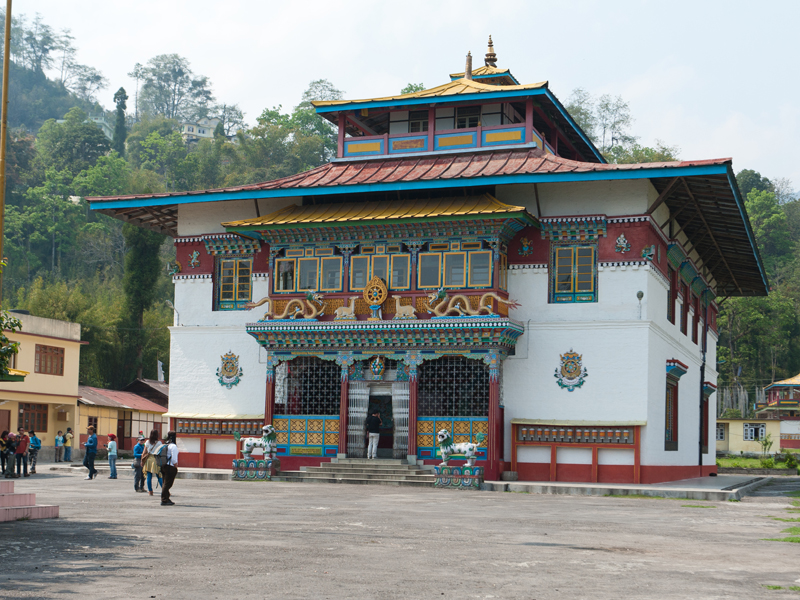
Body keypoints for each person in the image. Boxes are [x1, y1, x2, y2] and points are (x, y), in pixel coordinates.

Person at [141, 429, 163, 496]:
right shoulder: (159, 443)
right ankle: (164, 490)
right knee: (159, 475)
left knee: (149, 476)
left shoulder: (147, 442)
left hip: (149, 459)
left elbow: (144, 452)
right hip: (156, 459)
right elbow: (161, 452)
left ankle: (150, 491)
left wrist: (142, 461)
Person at [161, 431, 179, 506]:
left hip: (163, 465)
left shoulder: (165, 444)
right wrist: (175, 466)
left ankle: (166, 498)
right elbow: (174, 458)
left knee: (165, 483)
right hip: (170, 466)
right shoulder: (173, 446)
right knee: (168, 484)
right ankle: (164, 499)